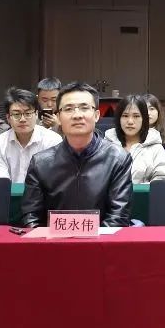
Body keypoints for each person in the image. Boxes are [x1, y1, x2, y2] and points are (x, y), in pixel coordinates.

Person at [21, 82, 133, 228]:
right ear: (58, 117)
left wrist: (93, 241)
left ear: (97, 115)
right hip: (53, 241)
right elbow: (31, 217)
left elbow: (118, 216)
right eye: (68, 109)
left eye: (84, 108)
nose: (77, 115)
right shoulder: (40, 162)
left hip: (103, 240)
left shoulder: (117, 158)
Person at [0, 88, 63, 184]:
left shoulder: (52, 141)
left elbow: (52, 181)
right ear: (8, 118)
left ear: (36, 114)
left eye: (28, 113)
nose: (22, 119)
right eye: (16, 114)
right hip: (8, 193)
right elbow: (2, 184)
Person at [104, 95, 165, 184]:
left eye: (136, 116)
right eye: (125, 116)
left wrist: (140, 188)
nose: (130, 121)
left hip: (144, 193)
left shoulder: (155, 147)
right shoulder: (106, 145)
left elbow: (162, 180)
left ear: (144, 119)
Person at [140, 92, 165, 161]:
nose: (148, 113)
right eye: (144, 109)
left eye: (152, 109)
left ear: (158, 112)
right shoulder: (133, 136)